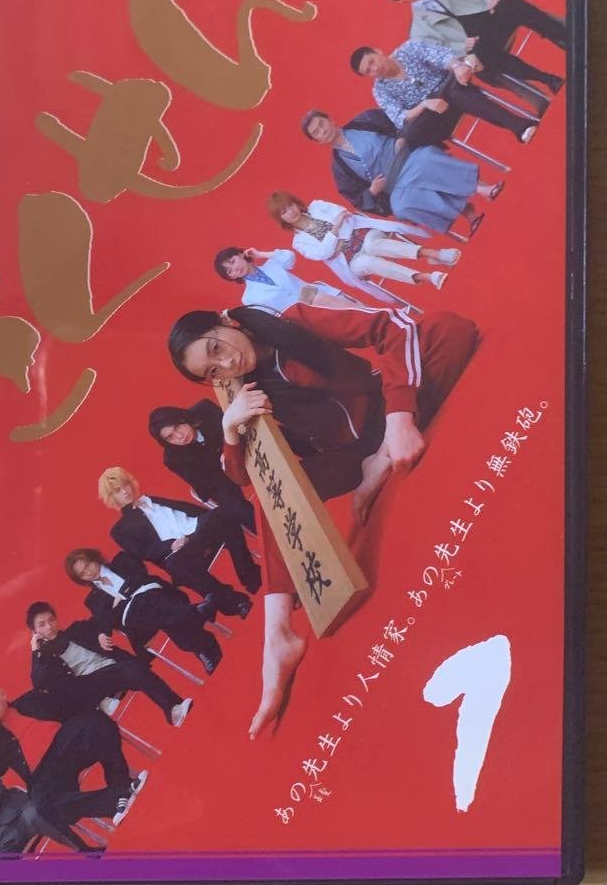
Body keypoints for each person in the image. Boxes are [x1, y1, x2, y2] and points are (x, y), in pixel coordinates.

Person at [167, 300, 479, 734]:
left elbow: (393, 328)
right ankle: (278, 636)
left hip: (384, 412)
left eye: (217, 348)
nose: (227, 364)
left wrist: (399, 418)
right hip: (346, 458)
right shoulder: (243, 393)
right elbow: (243, 477)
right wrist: (230, 430)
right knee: (269, 497)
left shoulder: (293, 320)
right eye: (212, 371)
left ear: (225, 322)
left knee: (449, 328)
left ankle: (383, 457)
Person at [0, 680, 148, 829]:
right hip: (44, 775)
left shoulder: (30, 700)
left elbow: (67, 706)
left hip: (66, 745)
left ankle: (121, 782)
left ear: (3, 696)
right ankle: (115, 799)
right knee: (42, 806)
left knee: (96, 723)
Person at [300, 108, 503, 237]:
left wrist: (401, 138)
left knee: (425, 164)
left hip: (406, 156)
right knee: (402, 207)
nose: (322, 130)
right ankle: (466, 211)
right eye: (316, 132)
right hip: (392, 185)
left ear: (330, 120)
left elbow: (400, 121)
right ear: (317, 141)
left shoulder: (365, 120)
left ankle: (480, 188)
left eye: (322, 124)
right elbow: (356, 198)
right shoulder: (339, 167)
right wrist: (372, 191)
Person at [381, 0, 565, 95]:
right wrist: (463, 47)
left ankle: (566, 38)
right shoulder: (418, 31)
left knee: (511, 2)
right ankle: (548, 79)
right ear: (399, 0)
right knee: (478, 59)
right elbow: (441, 50)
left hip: (493, 18)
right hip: (476, 45)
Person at [99, 466, 260, 606]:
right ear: (111, 498)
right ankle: (233, 602)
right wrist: (170, 545)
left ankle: (249, 575)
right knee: (176, 565)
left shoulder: (151, 499)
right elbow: (141, 552)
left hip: (199, 530)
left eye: (125, 485)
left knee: (224, 514)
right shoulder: (120, 530)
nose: (125, 491)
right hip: (180, 552)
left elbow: (188, 510)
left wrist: (207, 519)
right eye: (118, 491)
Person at [266, 190, 461, 302]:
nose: (290, 212)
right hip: (350, 262)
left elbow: (344, 215)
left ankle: (434, 254)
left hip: (363, 234)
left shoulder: (317, 206)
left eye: (290, 206)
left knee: (373, 245)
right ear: (281, 219)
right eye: (284, 212)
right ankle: (426, 277)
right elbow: (321, 254)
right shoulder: (299, 242)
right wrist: (335, 229)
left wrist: (335, 242)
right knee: (367, 262)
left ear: (296, 203)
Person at [25, 600, 193, 727]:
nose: (49, 627)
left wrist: (101, 633)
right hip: (92, 686)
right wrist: (35, 650)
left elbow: (100, 620)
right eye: (42, 625)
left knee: (134, 669)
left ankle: (173, 709)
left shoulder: (76, 630)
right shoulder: (46, 657)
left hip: (114, 669)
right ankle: (171, 708)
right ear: (35, 631)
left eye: (51, 620)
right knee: (131, 670)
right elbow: (38, 682)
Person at [65, 547, 225, 676]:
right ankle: (195, 614)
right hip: (139, 623)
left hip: (157, 598)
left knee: (154, 608)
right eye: (82, 573)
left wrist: (121, 600)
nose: (88, 572)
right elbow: (108, 619)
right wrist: (103, 631)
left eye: (88, 565)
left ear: (94, 558)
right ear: (81, 579)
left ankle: (201, 647)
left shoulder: (121, 560)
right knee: (148, 607)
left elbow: (141, 577)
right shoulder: (92, 600)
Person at [350, 40, 538, 146]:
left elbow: (440, 56)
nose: (375, 69)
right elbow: (399, 117)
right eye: (369, 71)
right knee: (411, 136)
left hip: (450, 87)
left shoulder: (408, 49)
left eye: (372, 61)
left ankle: (520, 127)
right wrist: (425, 104)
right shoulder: (380, 90)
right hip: (433, 113)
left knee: (457, 94)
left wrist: (456, 66)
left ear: (378, 51)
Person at [147, 399, 256, 533]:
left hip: (242, 449)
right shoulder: (173, 459)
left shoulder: (205, 410)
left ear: (182, 417)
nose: (179, 436)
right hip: (217, 479)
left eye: (177, 427)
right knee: (236, 507)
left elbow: (237, 430)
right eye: (170, 437)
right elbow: (207, 484)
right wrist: (228, 465)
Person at [212, 246, 358, 314]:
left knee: (362, 310)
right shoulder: (248, 298)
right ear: (231, 277)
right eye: (229, 271)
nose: (235, 268)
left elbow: (289, 257)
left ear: (241, 254)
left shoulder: (272, 263)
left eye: (233, 261)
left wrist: (261, 254)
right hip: (306, 319)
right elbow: (273, 317)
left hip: (322, 295)